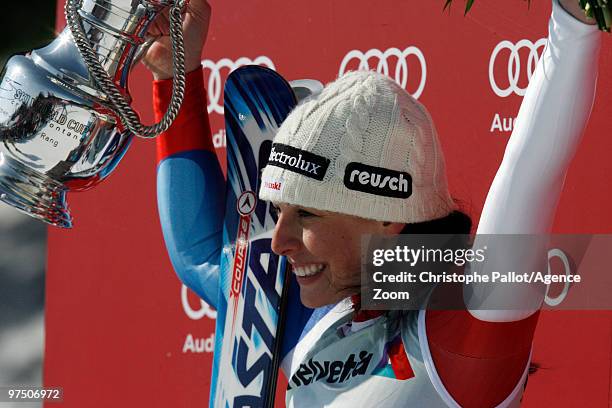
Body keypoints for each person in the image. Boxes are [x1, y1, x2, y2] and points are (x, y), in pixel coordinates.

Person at [143, 0, 602, 406]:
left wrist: (574, 22)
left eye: (306, 213)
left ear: (386, 215)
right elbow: (210, 255)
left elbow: (530, 170)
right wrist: (173, 76)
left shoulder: (463, 334)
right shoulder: (319, 314)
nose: (278, 241)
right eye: (278, 211)